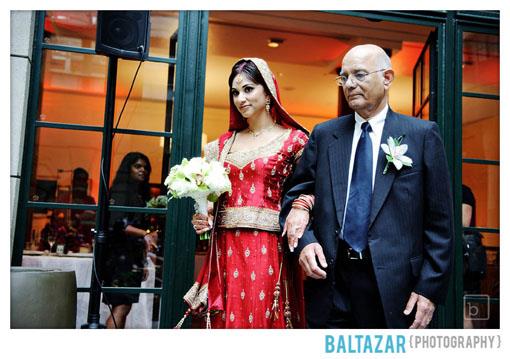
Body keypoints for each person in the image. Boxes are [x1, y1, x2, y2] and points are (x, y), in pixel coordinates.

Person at [281, 44, 453, 329]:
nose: (349, 84)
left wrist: (429, 289)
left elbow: (441, 223)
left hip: (398, 289)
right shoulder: (325, 135)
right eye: (344, 77)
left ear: (387, 78)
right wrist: (306, 243)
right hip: (332, 283)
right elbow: (294, 194)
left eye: (359, 75)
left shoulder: (422, 136)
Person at [187, 58, 308, 329]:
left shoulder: (294, 141)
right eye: (235, 92)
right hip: (225, 249)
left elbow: (311, 190)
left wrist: (301, 210)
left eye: (248, 89)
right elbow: (212, 200)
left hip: (268, 249)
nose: (240, 98)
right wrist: (203, 213)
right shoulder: (221, 146)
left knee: (261, 315)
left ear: (268, 92)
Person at [102, 152, 158, 329]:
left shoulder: (137, 193)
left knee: (123, 307)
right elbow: (120, 224)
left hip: (131, 258)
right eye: (138, 166)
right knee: (121, 306)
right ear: (128, 168)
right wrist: (146, 233)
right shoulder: (121, 191)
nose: (143, 170)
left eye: (145, 167)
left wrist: (143, 259)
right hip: (120, 259)